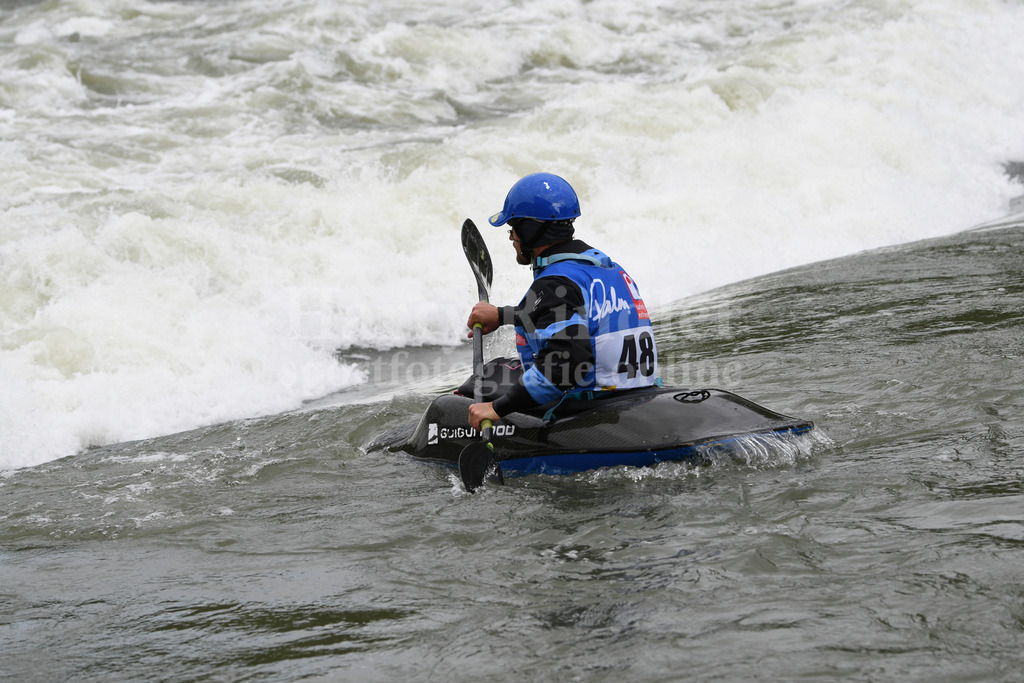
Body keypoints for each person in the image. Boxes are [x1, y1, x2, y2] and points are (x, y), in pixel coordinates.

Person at [466, 172, 660, 430]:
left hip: (592, 409)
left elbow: (567, 364)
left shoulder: (555, 283)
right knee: (501, 371)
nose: (511, 237)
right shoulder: (608, 269)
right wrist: (503, 316)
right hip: (638, 395)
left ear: (531, 230)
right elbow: (568, 314)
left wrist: (497, 408)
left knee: (480, 386)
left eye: (513, 228)